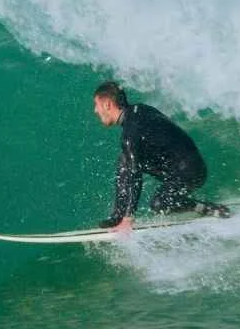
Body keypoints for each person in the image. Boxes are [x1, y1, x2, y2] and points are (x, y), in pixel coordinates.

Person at [92, 81, 231, 231]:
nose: (95, 110)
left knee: (159, 203)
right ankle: (118, 215)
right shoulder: (141, 109)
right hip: (187, 164)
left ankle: (203, 207)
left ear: (107, 104)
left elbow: (135, 175)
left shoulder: (130, 134)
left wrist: (129, 218)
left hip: (190, 172)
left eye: (97, 105)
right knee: (125, 159)